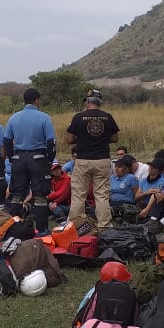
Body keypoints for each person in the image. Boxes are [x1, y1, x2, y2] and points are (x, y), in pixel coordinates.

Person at [66, 89, 120, 231]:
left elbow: (69, 139)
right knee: (101, 195)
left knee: (79, 195)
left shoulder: (78, 117)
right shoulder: (107, 117)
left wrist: (83, 139)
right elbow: (115, 138)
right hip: (102, 159)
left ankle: (76, 226)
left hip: (83, 159)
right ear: (99, 102)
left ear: (88, 101)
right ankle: (104, 226)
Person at [4, 88, 56, 234]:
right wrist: (49, 161)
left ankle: (14, 228)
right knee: (40, 196)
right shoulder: (44, 117)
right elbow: (51, 142)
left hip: (19, 159)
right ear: (37, 100)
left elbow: (7, 140)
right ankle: (42, 230)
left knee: (16, 196)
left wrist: (11, 158)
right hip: (38, 159)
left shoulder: (14, 118)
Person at [109, 155, 140, 223]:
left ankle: (116, 214)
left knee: (107, 211)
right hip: (112, 202)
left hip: (126, 204)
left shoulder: (131, 178)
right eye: (116, 166)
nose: (116, 169)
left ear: (126, 169)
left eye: (119, 167)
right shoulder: (112, 178)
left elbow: (136, 195)